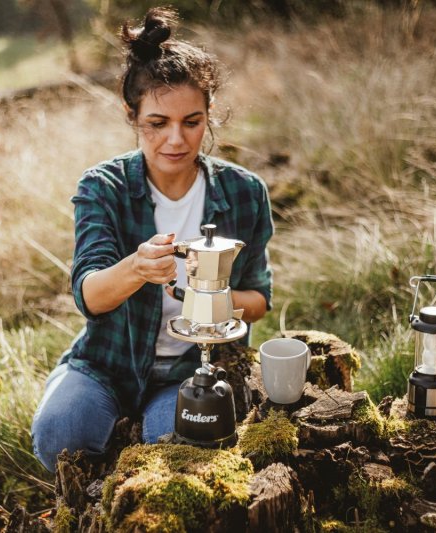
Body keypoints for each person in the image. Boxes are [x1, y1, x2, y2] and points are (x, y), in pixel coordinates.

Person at [30, 7, 274, 473]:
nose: (176, 140)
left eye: (192, 121)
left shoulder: (244, 193)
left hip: (192, 371)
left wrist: (210, 295)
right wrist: (137, 268)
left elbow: (259, 300)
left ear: (210, 115)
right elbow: (90, 296)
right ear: (132, 115)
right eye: (157, 123)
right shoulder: (104, 187)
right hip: (107, 362)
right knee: (61, 436)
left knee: (180, 453)